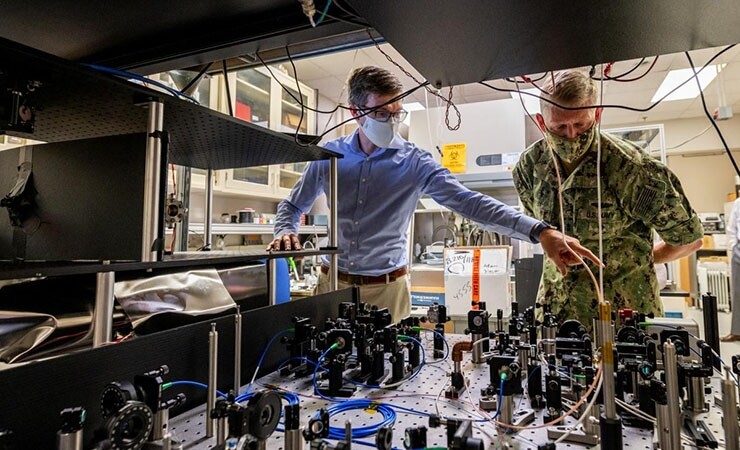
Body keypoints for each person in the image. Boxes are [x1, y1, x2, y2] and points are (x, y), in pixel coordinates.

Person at [267, 66, 599, 321]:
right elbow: (293, 205)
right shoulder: (330, 156)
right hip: (331, 285)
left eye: (397, 114)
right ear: (356, 113)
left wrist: (539, 231)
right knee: (323, 373)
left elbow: (469, 202)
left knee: (386, 382)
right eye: (382, 114)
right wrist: (285, 230)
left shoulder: (414, 162)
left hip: (387, 290)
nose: (392, 122)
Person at [512, 69, 703, 327]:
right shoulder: (530, 167)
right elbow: (535, 227)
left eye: (581, 124)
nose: (571, 135)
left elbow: (689, 239)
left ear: (598, 114)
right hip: (556, 316)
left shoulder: (634, 170)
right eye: (559, 127)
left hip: (624, 317)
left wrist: (642, 258)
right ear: (541, 122)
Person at [723, 197, 740, 342]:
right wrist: (734, 245)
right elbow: (732, 227)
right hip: (739, 250)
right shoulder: (738, 203)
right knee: (737, 292)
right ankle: (736, 331)